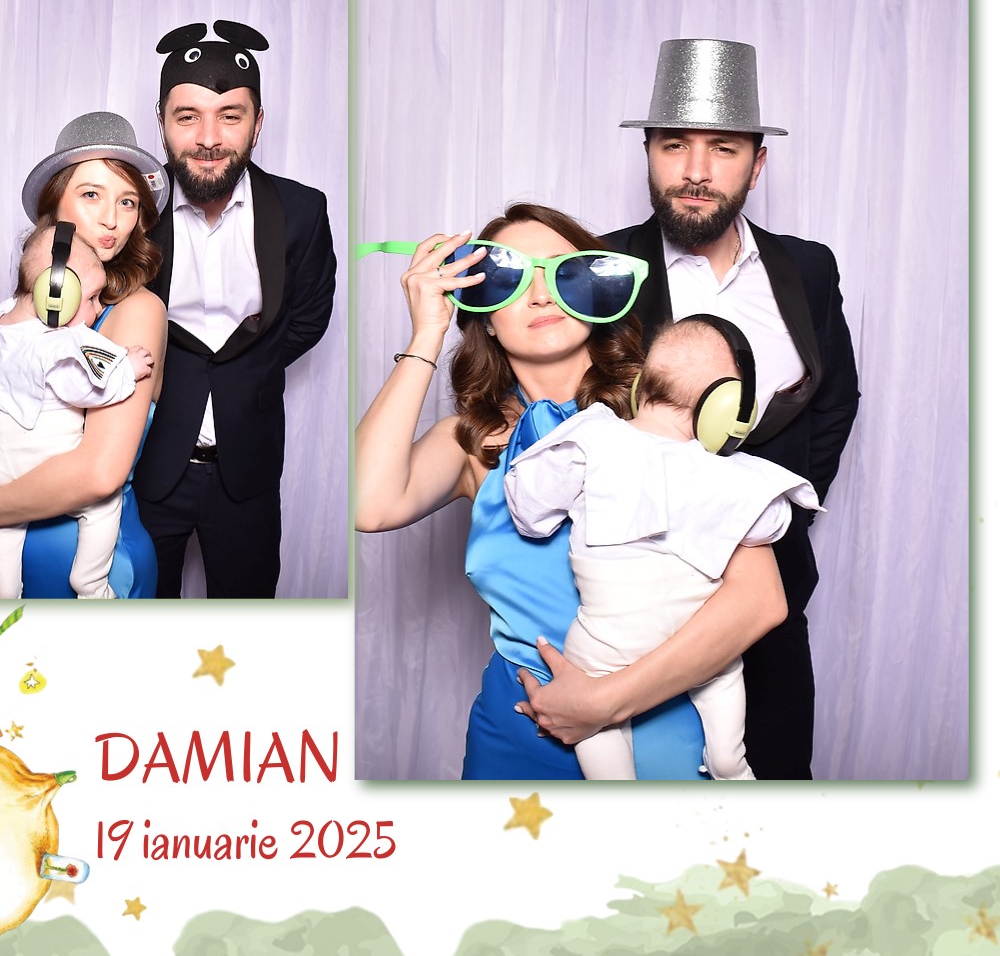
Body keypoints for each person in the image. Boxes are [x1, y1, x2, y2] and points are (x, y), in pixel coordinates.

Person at [353, 203, 789, 780]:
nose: (539, 296)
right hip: (518, 724)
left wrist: (602, 703)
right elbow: (369, 504)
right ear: (484, 316)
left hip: (653, 717)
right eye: (508, 279)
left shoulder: (669, 414)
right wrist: (427, 333)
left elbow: (760, 600)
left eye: (564, 273)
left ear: (600, 293)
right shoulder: (474, 442)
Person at [597, 38, 860, 780]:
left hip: (770, 597)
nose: (696, 171)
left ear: (757, 162)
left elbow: (832, 400)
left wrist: (785, 512)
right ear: (648, 154)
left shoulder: (808, 267)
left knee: (775, 790)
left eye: (723, 148)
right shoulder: (601, 268)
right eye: (674, 146)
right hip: (637, 608)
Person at [505, 315, 820, 780]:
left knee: (596, 726)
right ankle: (730, 765)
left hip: (605, 644)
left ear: (641, 385)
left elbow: (530, 515)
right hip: (694, 646)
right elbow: (769, 525)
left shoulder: (590, 436)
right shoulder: (736, 475)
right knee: (724, 676)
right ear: (726, 407)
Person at [138, 21, 335, 598]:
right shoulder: (130, 211)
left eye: (229, 115)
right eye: (187, 116)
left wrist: (244, 368)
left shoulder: (301, 210)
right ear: (161, 121)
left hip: (248, 471)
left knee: (247, 629)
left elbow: (308, 319)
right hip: (142, 461)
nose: (208, 138)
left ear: (258, 122)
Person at [0, 110, 170, 600]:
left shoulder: (137, 310)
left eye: (127, 201)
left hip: (95, 559)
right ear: (54, 203)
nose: (111, 219)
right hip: (19, 558)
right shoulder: (28, 313)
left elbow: (99, 472)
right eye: (91, 194)